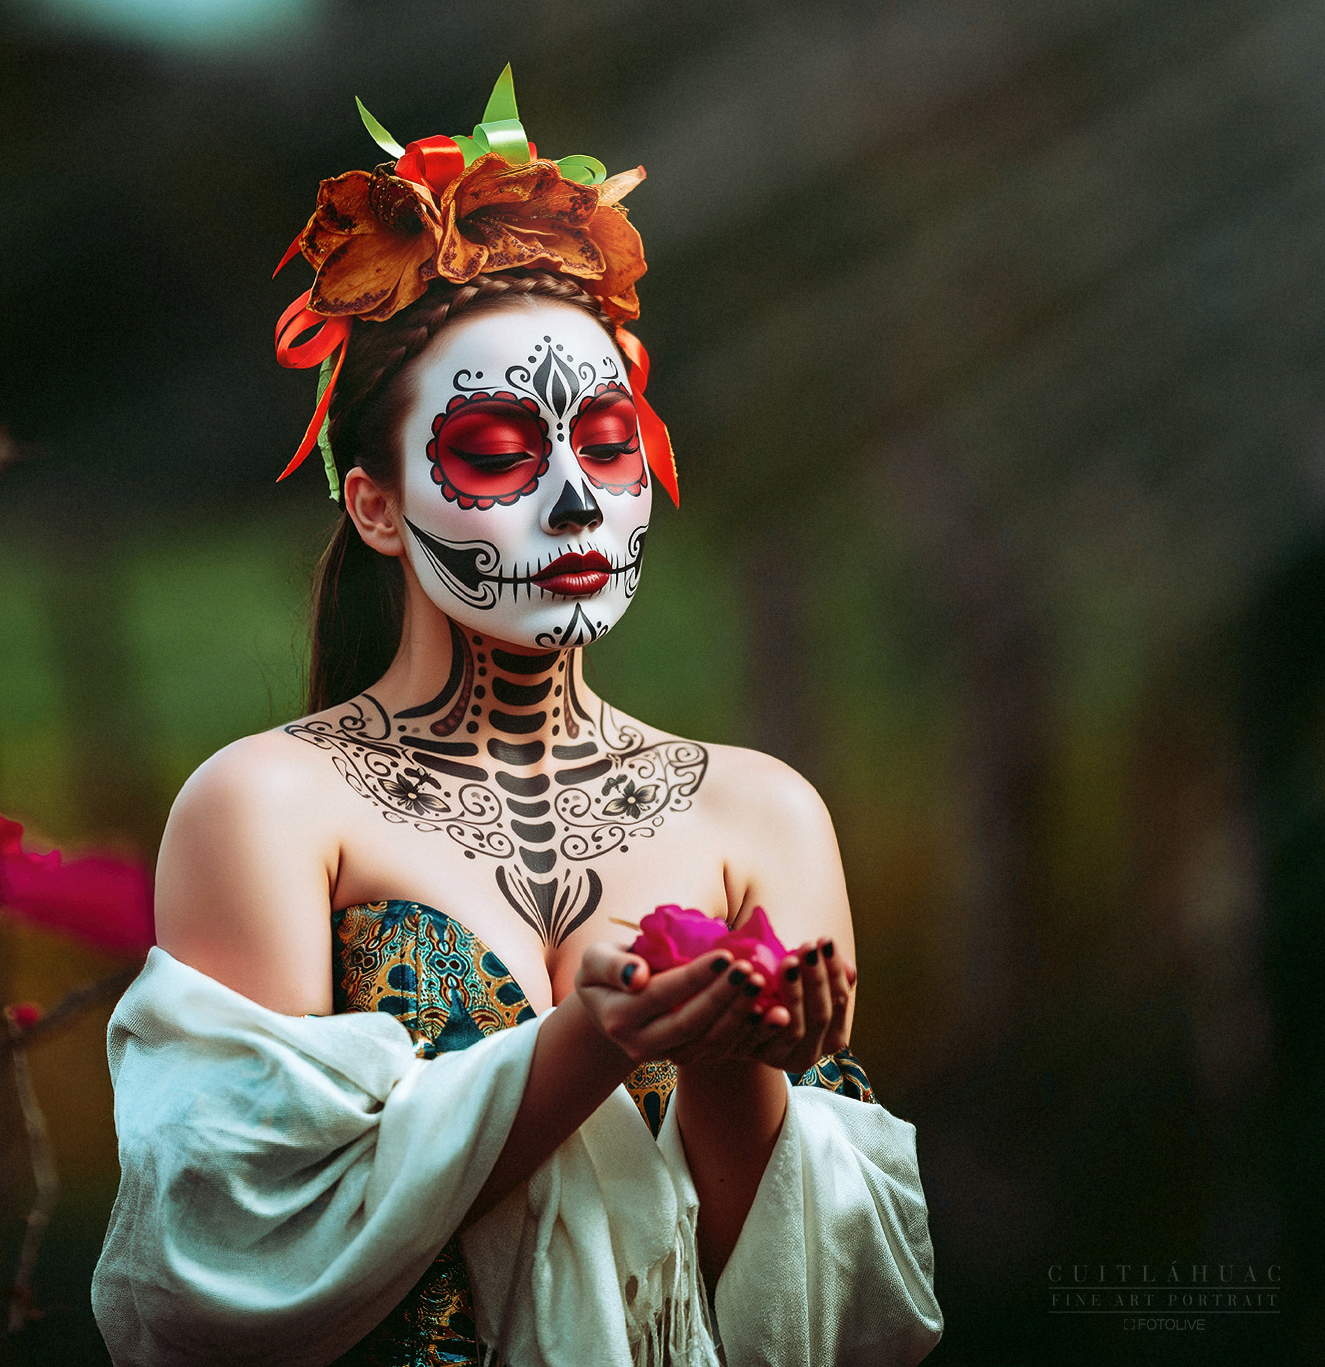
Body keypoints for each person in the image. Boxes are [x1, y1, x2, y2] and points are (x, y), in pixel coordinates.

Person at [93, 70, 941, 1367]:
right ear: (375, 506)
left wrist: (731, 1064)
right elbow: (225, 1273)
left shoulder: (761, 811)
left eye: (605, 445)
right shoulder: (267, 807)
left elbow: (818, 1326)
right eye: (494, 453)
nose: (572, 506)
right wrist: (591, 1040)